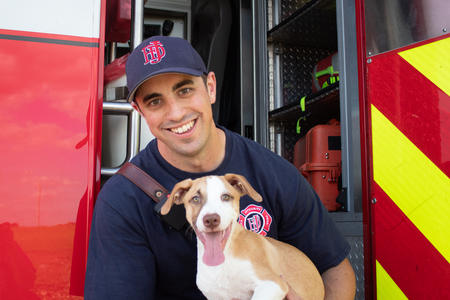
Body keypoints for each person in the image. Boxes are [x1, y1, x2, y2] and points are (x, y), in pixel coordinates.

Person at [85, 36, 355, 299]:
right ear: (140, 111)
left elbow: (333, 267)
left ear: (211, 87)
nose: (176, 113)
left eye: (185, 90)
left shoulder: (274, 174)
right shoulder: (121, 202)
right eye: (155, 101)